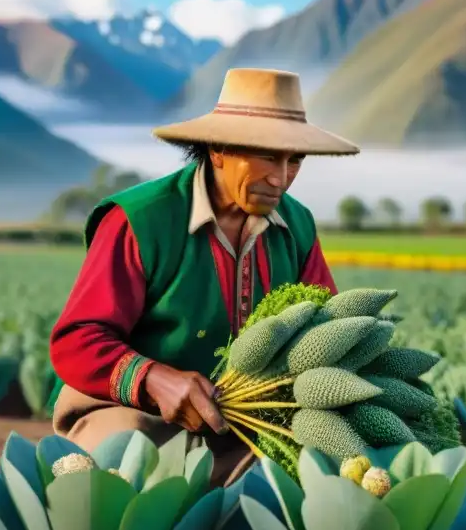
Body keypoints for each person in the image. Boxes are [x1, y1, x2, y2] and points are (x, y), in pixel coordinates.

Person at [47, 67, 360, 486]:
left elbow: (326, 332)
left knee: (319, 477)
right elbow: (76, 341)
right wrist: (154, 379)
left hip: (244, 424)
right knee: (126, 460)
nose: (281, 178)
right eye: (268, 155)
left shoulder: (297, 226)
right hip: (131, 414)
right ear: (218, 150)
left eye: (294, 160)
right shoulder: (141, 220)